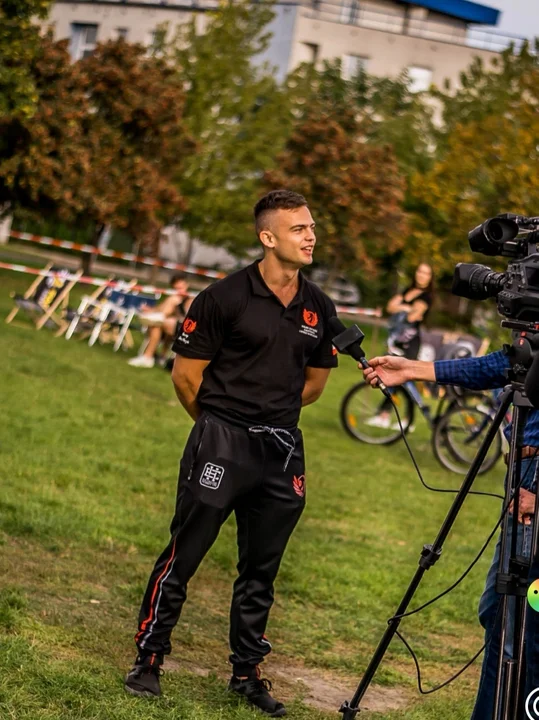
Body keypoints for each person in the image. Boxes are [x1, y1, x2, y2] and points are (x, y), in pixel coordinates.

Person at [124, 189, 338, 716]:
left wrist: (270, 421)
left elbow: (313, 386)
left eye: (311, 227)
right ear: (268, 237)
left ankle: (246, 674)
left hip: (283, 451)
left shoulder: (319, 307)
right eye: (298, 229)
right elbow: (186, 377)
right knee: (185, 554)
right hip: (221, 439)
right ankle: (149, 658)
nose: (311, 236)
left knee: (261, 570)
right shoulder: (222, 297)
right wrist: (221, 428)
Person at [362, 351, 539, 719]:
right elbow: (510, 365)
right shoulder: (530, 332)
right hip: (524, 474)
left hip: (534, 484)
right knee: (501, 613)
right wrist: (410, 369)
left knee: (523, 628)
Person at [366, 263, 434, 429]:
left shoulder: (427, 296)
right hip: (396, 339)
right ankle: (385, 415)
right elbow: (390, 307)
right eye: (420, 271)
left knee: (403, 380)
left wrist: (402, 307)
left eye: (426, 273)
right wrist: (406, 308)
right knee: (391, 378)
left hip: (410, 342)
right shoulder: (407, 291)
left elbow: (412, 317)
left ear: (430, 278)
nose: (421, 275)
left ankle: (405, 419)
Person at [128, 273, 192, 369]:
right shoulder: (175, 297)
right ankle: (157, 356)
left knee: (157, 322)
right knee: (156, 325)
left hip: (185, 329)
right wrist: (151, 310)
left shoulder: (189, 299)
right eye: (176, 288)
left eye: (180, 287)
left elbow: (188, 317)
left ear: (186, 285)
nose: (178, 290)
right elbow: (163, 308)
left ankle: (148, 357)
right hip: (172, 326)